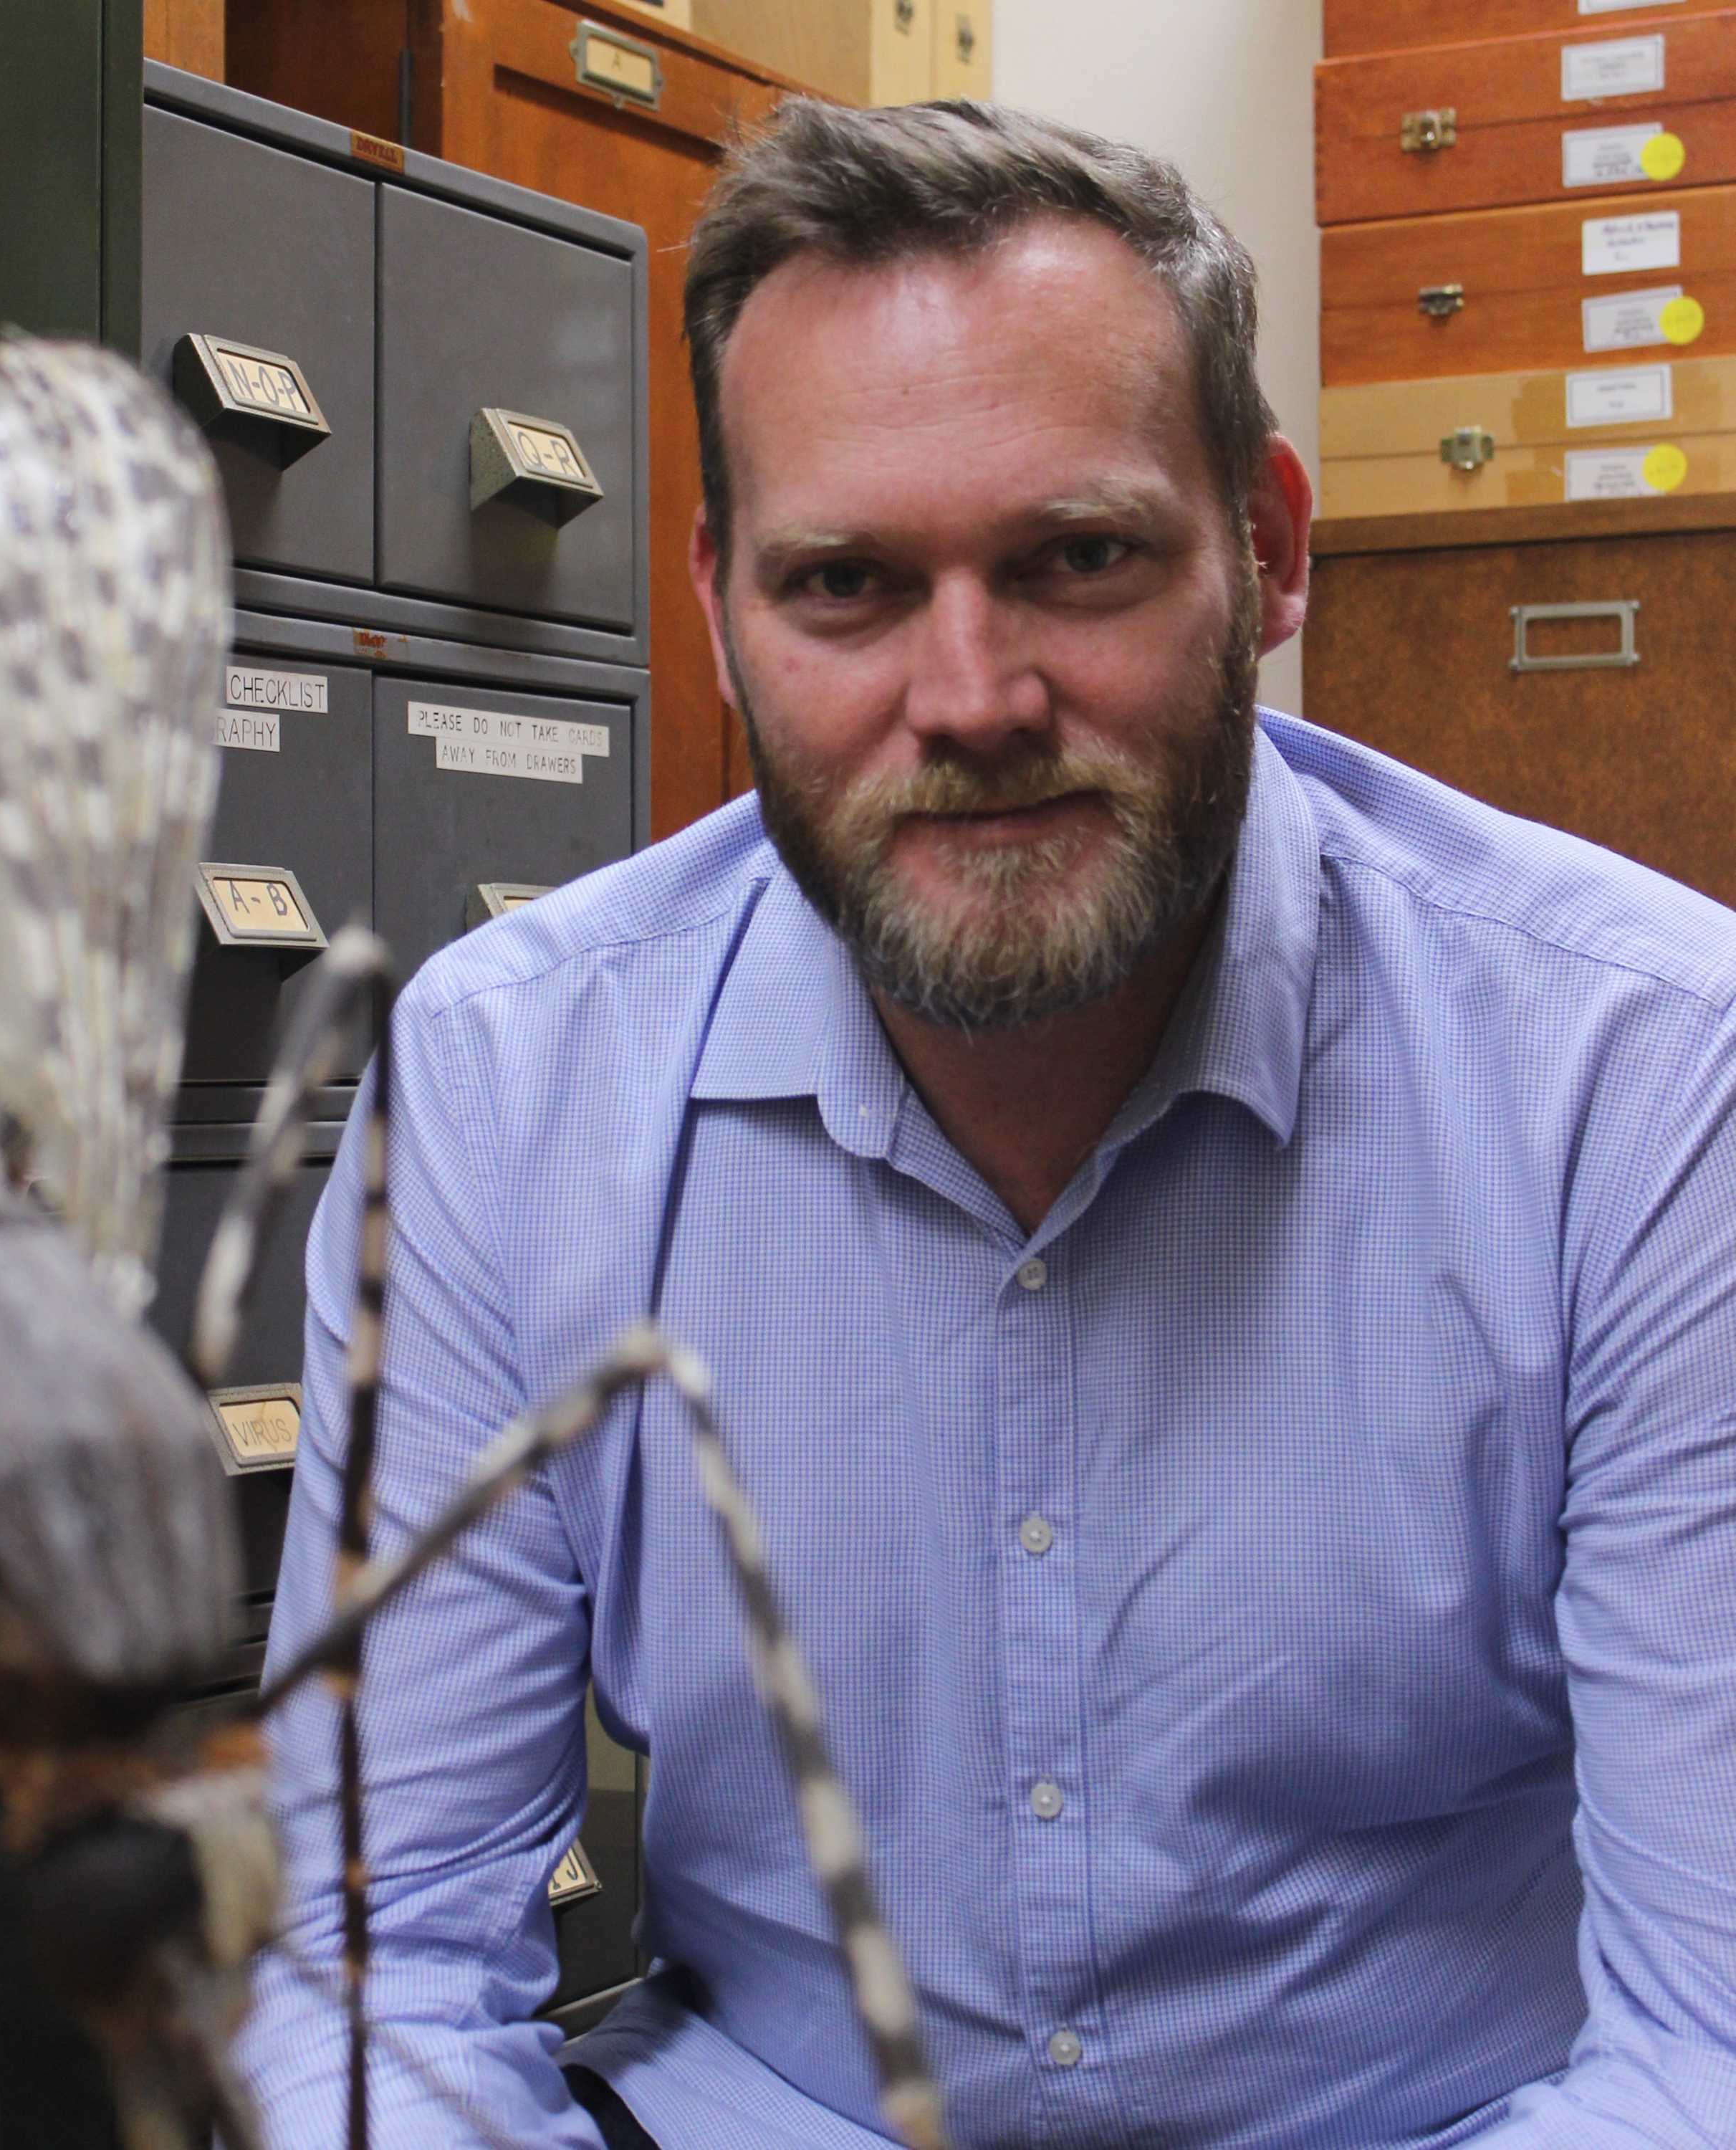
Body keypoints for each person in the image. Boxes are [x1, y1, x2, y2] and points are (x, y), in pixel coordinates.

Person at [240, 97, 1736, 2150]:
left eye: (1079, 558)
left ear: (1272, 549)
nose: (967, 695)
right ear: (720, 610)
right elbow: (379, 1951)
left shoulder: (1642, 1084)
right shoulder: (505, 1096)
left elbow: (1708, 2040)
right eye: (846, 583)